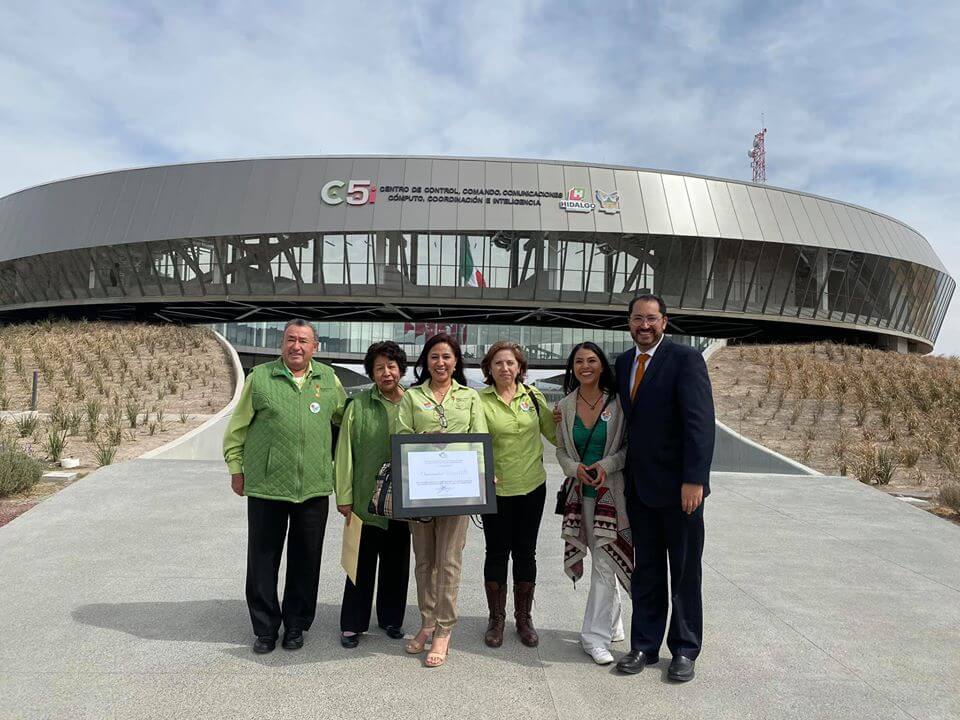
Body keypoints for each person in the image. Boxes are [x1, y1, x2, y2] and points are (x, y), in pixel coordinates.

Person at [223, 319, 347, 654]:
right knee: (263, 559)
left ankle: (296, 625)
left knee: (306, 560)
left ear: (315, 347)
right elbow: (237, 428)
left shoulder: (328, 379)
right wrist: (237, 468)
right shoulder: (260, 378)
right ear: (282, 344)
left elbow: (346, 421)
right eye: (291, 339)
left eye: (304, 341)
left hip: (314, 486)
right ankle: (265, 629)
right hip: (266, 485)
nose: (297, 346)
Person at [614, 294, 715, 682]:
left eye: (651, 319)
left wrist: (695, 480)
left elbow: (700, 425)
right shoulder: (624, 363)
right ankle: (643, 645)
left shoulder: (686, 360)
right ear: (629, 323)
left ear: (664, 322)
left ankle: (685, 650)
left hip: (680, 492)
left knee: (685, 572)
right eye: (637, 319)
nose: (644, 325)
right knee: (648, 571)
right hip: (640, 489)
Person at [395, 332, 488, 668]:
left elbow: (480, 441)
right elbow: (401, 436)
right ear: (426, 361)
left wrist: (480, 484)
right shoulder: (412, 396)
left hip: (457, 489)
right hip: (421, 487)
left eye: (447, 357)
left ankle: (444, 629)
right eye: (434, 356)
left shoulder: (470, 397)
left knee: (448, 561)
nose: (440, 363)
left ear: (456, 361)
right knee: (424, 562)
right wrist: (424, 438)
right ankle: (427, 622)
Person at [555, 342, 633, 666]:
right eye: (578, 362)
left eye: (591, 360)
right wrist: (576, 469)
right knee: (604, 561)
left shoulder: (619, 403)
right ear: (572, 368)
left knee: (604, 563)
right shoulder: (564, 406)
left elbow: (629, 447)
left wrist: (607, 466)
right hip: (581, 498)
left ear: (602, 365)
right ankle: (611, 624)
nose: (585, 366)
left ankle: (594, 637)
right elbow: (561, 451)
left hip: (612, 496)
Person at [478, 341, 557, 649]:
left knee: (526, 553)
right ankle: (496, 620)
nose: (505, 368)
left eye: (510, 363)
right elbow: (472, 438)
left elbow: (553, 433)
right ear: (489, 368)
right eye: (498, 363)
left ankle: (523, 619)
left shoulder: (534, 397)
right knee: (496, 553)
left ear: (520, 368)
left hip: (532, 488)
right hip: (496, 490)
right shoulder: (479, 400)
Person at [334, 341, 411, 649]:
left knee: (397, 562)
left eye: (391, 366)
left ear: (401, 370)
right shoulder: (359, 405)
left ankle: (392, 618)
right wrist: (344, 495)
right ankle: (353, 624)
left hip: (404, 502)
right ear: (371, 373)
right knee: (359, 563)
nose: (386, 373)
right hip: (366, 500)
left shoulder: (414, 403)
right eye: (379, 368)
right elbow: (345, 453)